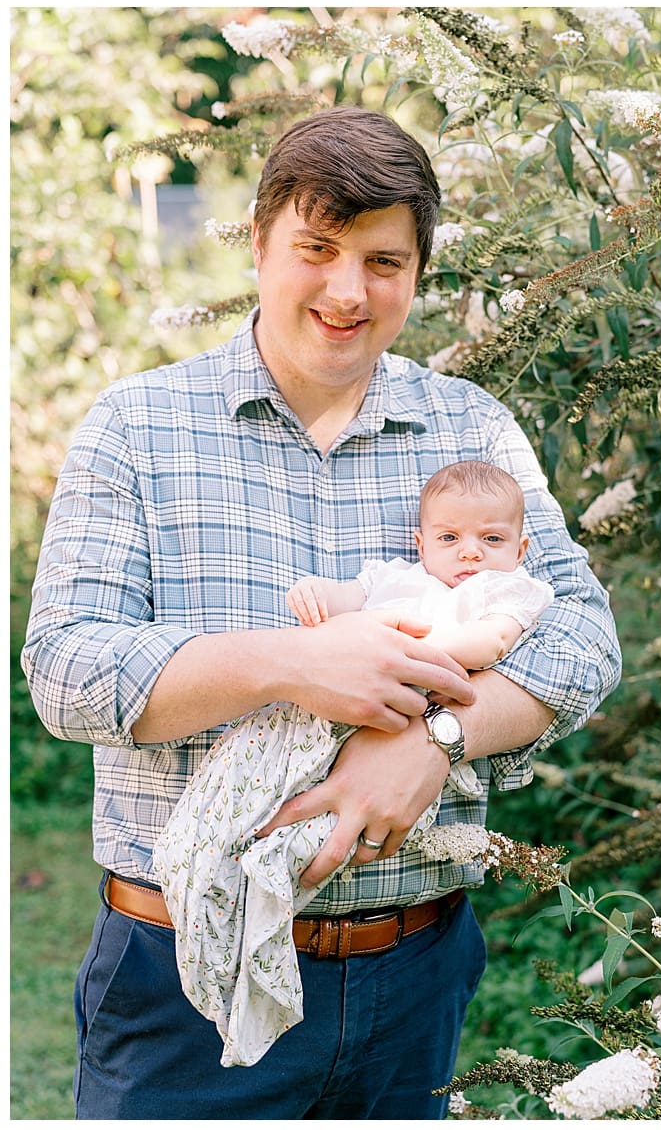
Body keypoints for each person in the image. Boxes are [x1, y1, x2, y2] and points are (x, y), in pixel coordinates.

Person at [22, 107, 620, 1118]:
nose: (348, 291)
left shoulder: (470, 425)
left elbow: (580, 632)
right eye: (317, 249)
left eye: (383, 260)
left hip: (414, 971)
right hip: (180, 977)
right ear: (259, 242)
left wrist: (437, 736)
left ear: (419, 271)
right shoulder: (137, 426)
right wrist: (293, 664)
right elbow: (67, 669)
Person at [153, 460, 555, 1069]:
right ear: (421, 543)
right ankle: (213, 872)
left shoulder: (506, 592)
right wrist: (321, 601)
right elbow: (340, 604)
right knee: (230, 801)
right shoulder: (398, 578)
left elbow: (487, 645)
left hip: (399, 727)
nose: (469, 553)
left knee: (305, 838)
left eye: (491, 540)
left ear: (520, 546)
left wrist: (383, 654)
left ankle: (258, 917)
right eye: (450, 539)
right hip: (316, 713)